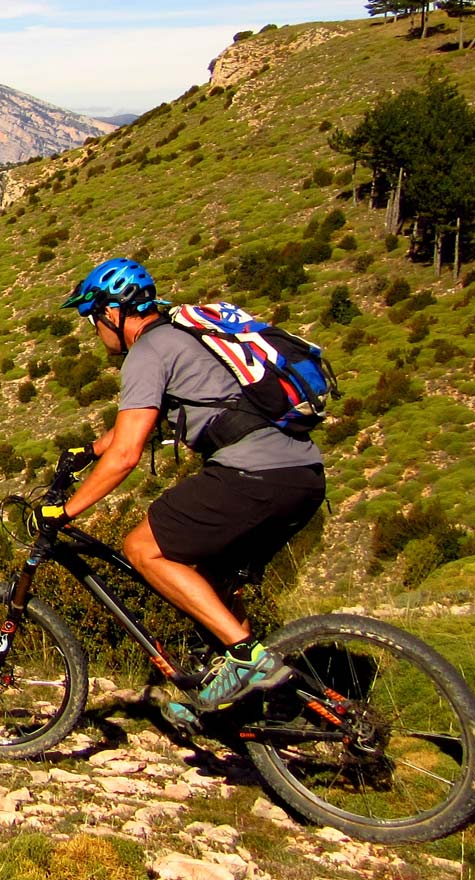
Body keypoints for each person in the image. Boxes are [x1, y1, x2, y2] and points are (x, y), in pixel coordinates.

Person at [48, 258, 326, 726]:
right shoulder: (184, 337)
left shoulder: (147, 353)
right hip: (300, 475)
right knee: (216, 580)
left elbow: (128, 455)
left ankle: (245, 658)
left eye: (94, 320)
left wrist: (65, 511)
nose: (95, 332)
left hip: (252, 474)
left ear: (115, 313)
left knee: (142, 547)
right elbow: (127, 434)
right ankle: (237, 703)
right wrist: (87, 450)